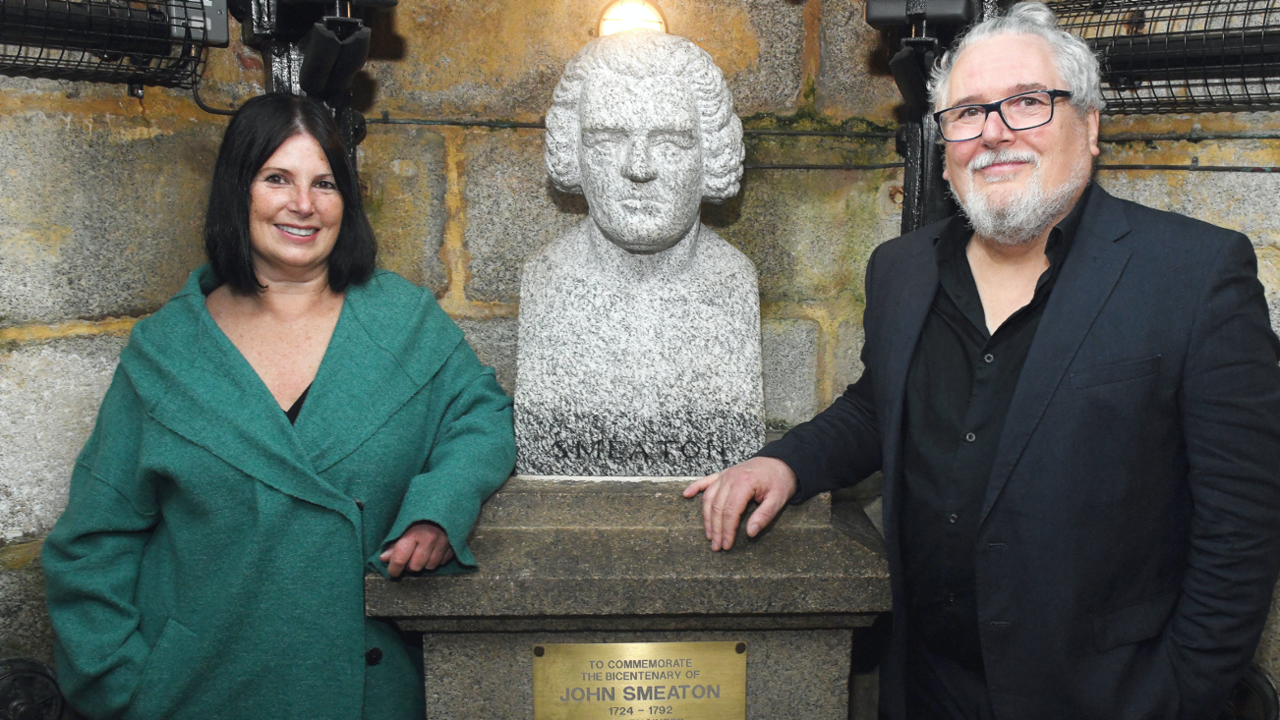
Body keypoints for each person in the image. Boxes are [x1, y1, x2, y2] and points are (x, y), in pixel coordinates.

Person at [684, 4, 1280, 719]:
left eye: (1027, 102)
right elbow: (882, 404)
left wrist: (1180, 696)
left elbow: (1242, 525)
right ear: (945, 140)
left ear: (1088, 125)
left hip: (1106, 700)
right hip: (928, 689)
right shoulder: (901, 269)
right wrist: (783, 463)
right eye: (966, 113)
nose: (993, 132)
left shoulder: (1196, 274)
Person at [41, 93, 516, 720]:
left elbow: (484, 419)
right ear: (238, 190)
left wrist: (437, 509)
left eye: (324, 183)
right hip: (200, 693)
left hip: (366, 694)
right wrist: (128, 691)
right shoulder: (166, 352)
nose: (303, 205)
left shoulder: (405, 323)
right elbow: (91, 545)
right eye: (277, 179)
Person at [517, 29, 763, 477]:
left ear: (712, 155)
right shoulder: (547, 279)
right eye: (607, 140)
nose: (639, 168)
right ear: (573, 154)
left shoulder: (733, 281)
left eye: (670, 143)